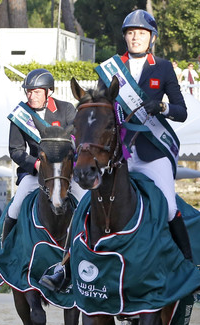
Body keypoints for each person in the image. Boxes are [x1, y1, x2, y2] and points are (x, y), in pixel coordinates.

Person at [42, 9, 189, 291]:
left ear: (151, 38)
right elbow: (98, 110)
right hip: (115, 152)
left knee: (169, 206)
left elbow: (181, 111)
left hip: (151, 150)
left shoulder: (163, 68)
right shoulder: (110, 68)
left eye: (141, 33)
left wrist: (161, 107)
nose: (135, 38)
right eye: (131, 33)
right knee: (85, 202)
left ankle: (186, 266)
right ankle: (66, 267)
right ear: (125, 37)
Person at [4, 68, 76, 246]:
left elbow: (77, 140)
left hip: (66, 173)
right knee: (15, 206)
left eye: (36, 92)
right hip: (35, 172)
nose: (31, 96)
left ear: (48, 91)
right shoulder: (20, 115)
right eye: (28, 91)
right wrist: (36, 164)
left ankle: (91, 245)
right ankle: (6, 247)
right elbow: (16, 150)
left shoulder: (66, 109)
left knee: (85, 199)